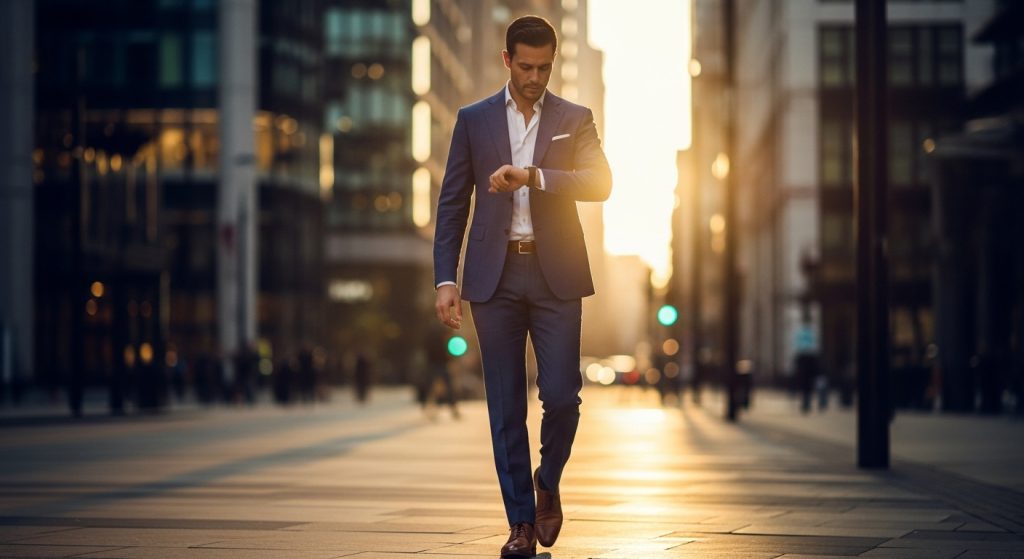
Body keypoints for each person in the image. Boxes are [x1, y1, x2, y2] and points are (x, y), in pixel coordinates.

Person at [432, 15, 612, 558]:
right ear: (507, 60)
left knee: (561, 396)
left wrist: (532, 175)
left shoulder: (574, 118)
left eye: (545, 68)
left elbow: (600, 182)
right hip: (494, 277)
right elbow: (452, 203)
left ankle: (547, 480)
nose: (535, 78)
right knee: (506, 406)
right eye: (526, 67)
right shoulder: (473, 120)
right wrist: (446, 278)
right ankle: (520, 525)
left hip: (557, 275)